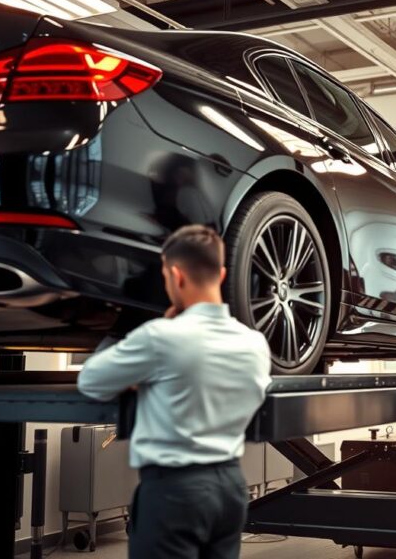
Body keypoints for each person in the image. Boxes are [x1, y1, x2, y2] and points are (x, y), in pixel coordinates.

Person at [77, 224, 272, 559]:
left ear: (176, 276)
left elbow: (91, 381)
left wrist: (122, 331)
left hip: (174, 492)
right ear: (222, 274)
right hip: (230, 488)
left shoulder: (161, 337)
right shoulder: (254, 343)